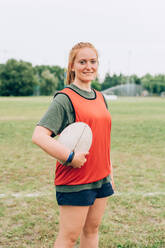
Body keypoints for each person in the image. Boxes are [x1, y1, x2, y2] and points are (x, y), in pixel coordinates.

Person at [32, 42, 114, 248]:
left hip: (101, 177)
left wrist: (110, 172)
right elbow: (39, 135)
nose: (88, 66)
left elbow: (103, 138)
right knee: (68, 238)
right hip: (75, 180)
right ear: (72, 66)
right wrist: (69, 156)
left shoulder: (101, 97)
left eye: (93, 62)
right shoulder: (64, 98)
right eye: (82, 62)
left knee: (92, 230)